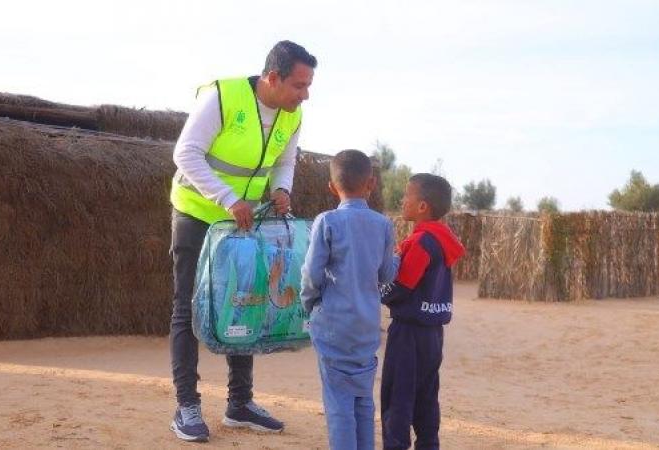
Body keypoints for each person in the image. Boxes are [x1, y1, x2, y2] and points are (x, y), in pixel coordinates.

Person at [168, 40, 317, 442]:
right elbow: (186, 154)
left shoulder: (292, 114)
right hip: (199, 214)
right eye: (299, 85)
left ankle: (239, 404)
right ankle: (187, 406)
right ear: (273, 77)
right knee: (187, 307)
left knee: (244, 302)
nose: (305, 94)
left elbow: (285, 161)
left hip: (243, 224)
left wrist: (281, 189)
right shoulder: (222, 96)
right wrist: (229, 199)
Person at [301, 150, 397, 450]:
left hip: (333, 325)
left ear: (332, 187)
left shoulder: (327, 222)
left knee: (338, 402)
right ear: (371, 183)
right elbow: (386, 275)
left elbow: (311, 274)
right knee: (362, 400)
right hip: (367, 326)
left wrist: (310, 304)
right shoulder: (383, 225)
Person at [380, 174, 465, 450]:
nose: (402, 200)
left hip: (408, 332)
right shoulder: (443, 241)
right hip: (433, 334)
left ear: (422, 207)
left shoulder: (421, 242)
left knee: (398, 396)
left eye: (407, 195)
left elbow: (403, 284)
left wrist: (375, 292)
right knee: (426, 396)